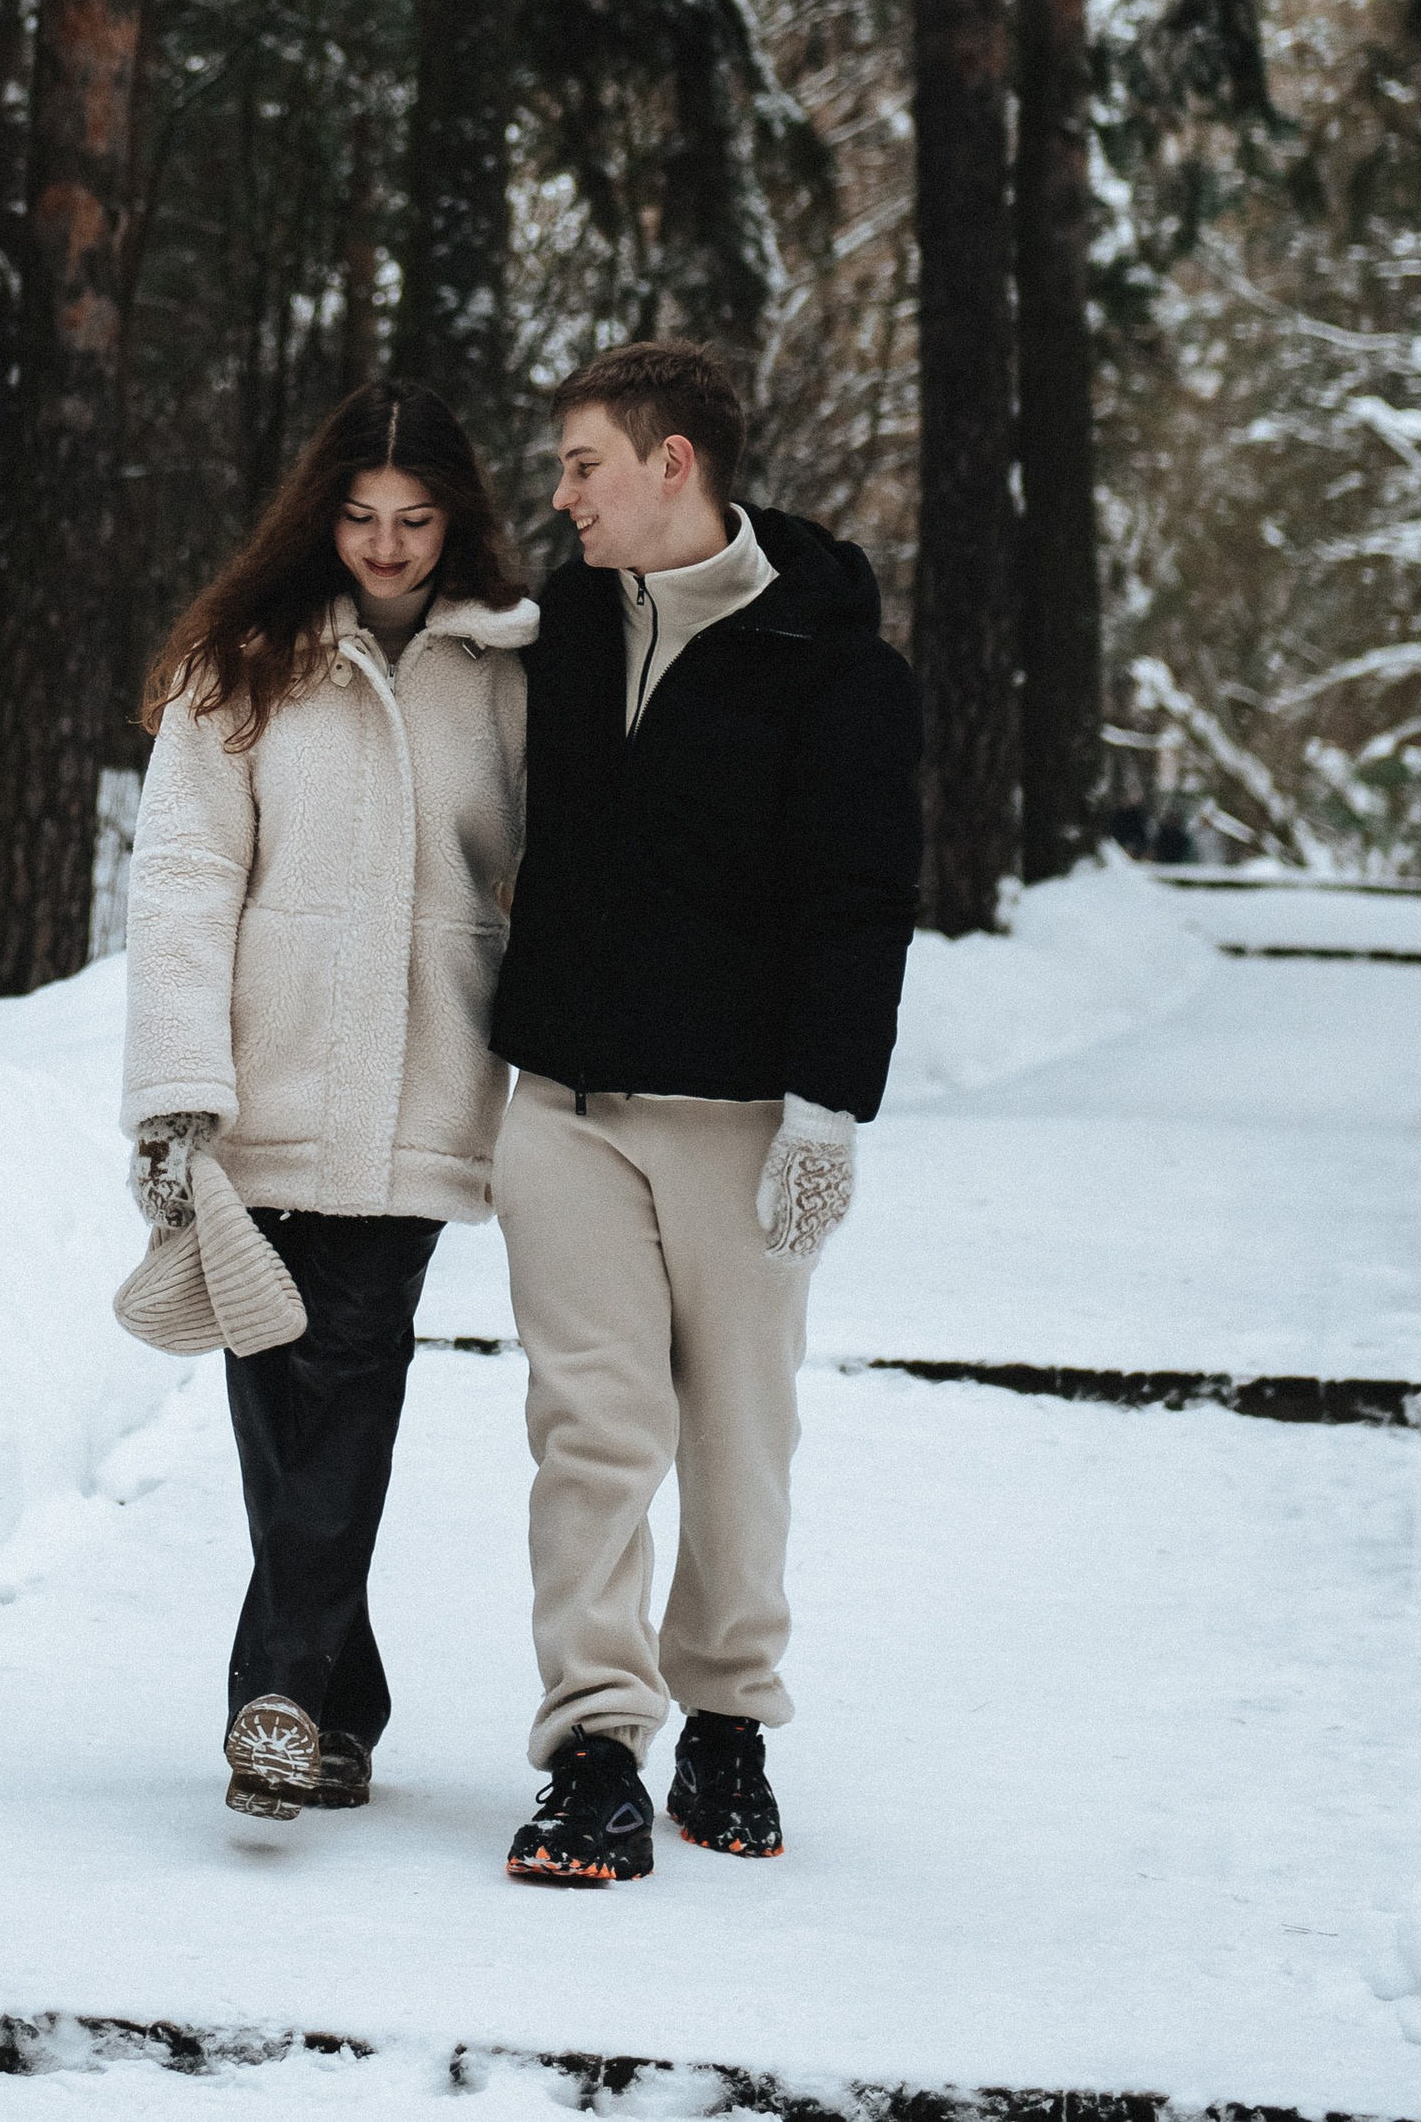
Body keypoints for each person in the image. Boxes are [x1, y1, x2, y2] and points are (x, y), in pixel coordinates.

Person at [487, 339, 921, 1887]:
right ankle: (597, 1745)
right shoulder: (554, 632)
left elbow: (865, 902)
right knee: (592, 1433)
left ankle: (727, 1715)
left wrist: (828, 1110)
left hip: (742, 1121)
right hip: (566, 1107)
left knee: (739, 1430)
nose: (564, 496)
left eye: (584, 463)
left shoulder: (835, 667)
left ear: (675, 464)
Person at [120, 377, 536, 1823]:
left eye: (416, 521)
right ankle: (339, 1706)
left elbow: (544, 873)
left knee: (352, 1368)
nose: (387, 545)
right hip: (263, 1080)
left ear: (454, 522)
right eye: (361, 517)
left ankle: (277, 1700)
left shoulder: (507, 671)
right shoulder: (243, 666)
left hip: (425, 1083)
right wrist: (179, 1095)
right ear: (322, 514)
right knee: (273, 1396)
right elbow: (181, 879)